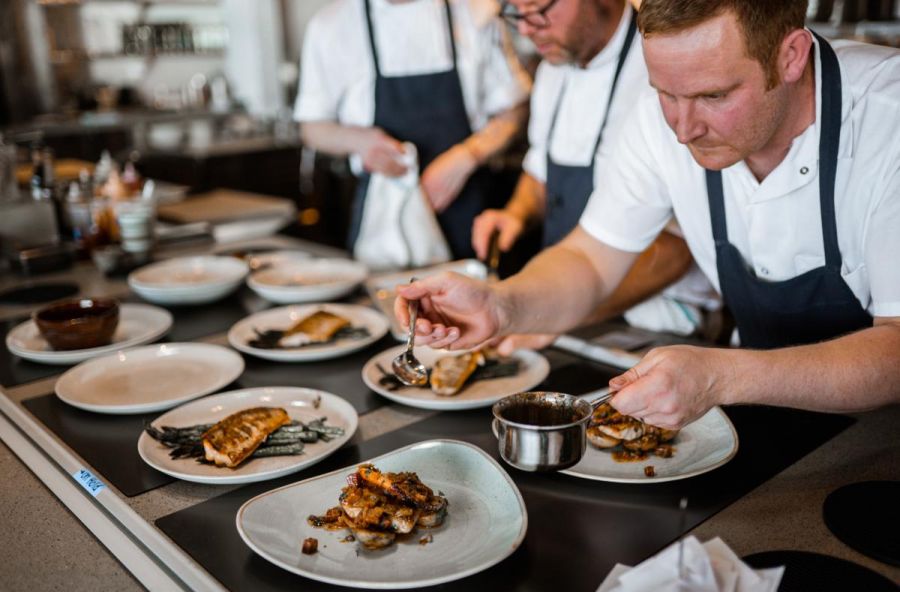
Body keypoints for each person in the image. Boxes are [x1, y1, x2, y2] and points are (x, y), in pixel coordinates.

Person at [395, 0, 900, 428]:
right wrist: (502, 305)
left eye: (714, 96)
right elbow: (591, 261)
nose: (682, 129)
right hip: (758, 415)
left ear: (791, 55)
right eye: (666, 94)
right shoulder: (659, 122)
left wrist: (719, 376)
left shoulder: (887, 120)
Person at [469, 0, 715, 349]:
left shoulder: (664, 70)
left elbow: (678, 247)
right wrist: (516, 213)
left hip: (653, 327)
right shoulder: (554, 68)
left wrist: (558, 310)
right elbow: (541, 169)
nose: (525, 28)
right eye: (516, 11)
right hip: (561, 305)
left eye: (538, 9)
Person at [295, 0, 531, 259]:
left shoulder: (477, 11)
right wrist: (360, 142)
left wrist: (468, 155)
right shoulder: (331, 25)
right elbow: (312, 128)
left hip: (471, 216)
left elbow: (516, 110)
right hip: (384, 223)